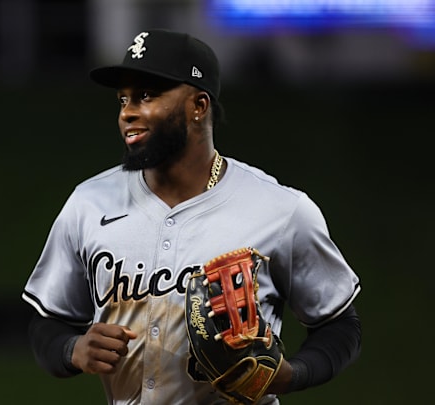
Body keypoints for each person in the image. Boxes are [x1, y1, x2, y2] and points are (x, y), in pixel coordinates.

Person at [21, 29, 362, 404]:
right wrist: (73, 349)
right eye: (123, 99)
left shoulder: (280, 210)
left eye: (146, 95)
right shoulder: (88, 204)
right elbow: (46, 323)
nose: (127, 112)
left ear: (198, 106)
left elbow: (340, 326)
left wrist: (290, 376)